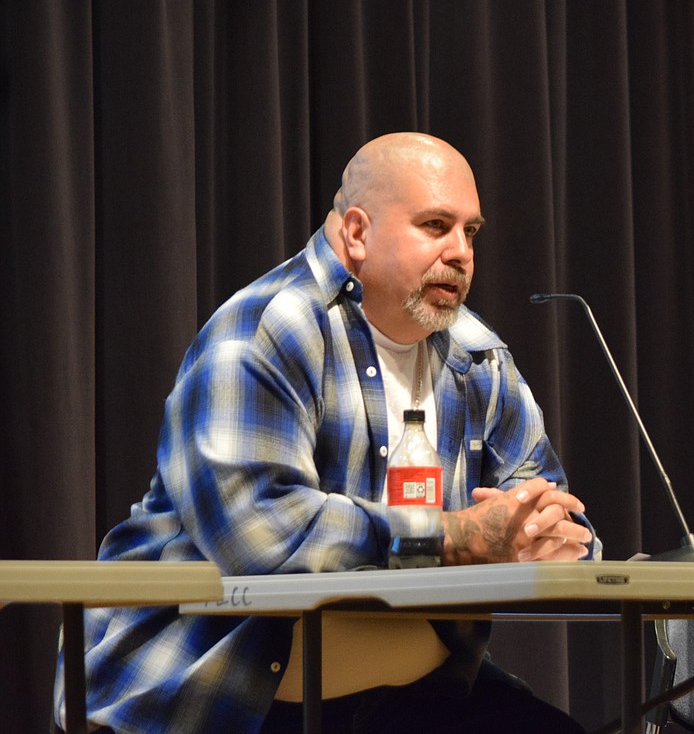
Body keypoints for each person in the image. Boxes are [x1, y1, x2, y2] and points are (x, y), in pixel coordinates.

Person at [53, 133, 596, 734]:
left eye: (471, 232)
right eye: (436, 225)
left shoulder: (480, 359)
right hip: (225, 700)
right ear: (357, 233)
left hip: (417, 699)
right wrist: (457, 536)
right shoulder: (264, 332)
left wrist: (543, 538)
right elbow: (261, 537)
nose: (461, 252)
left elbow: (562, 519)